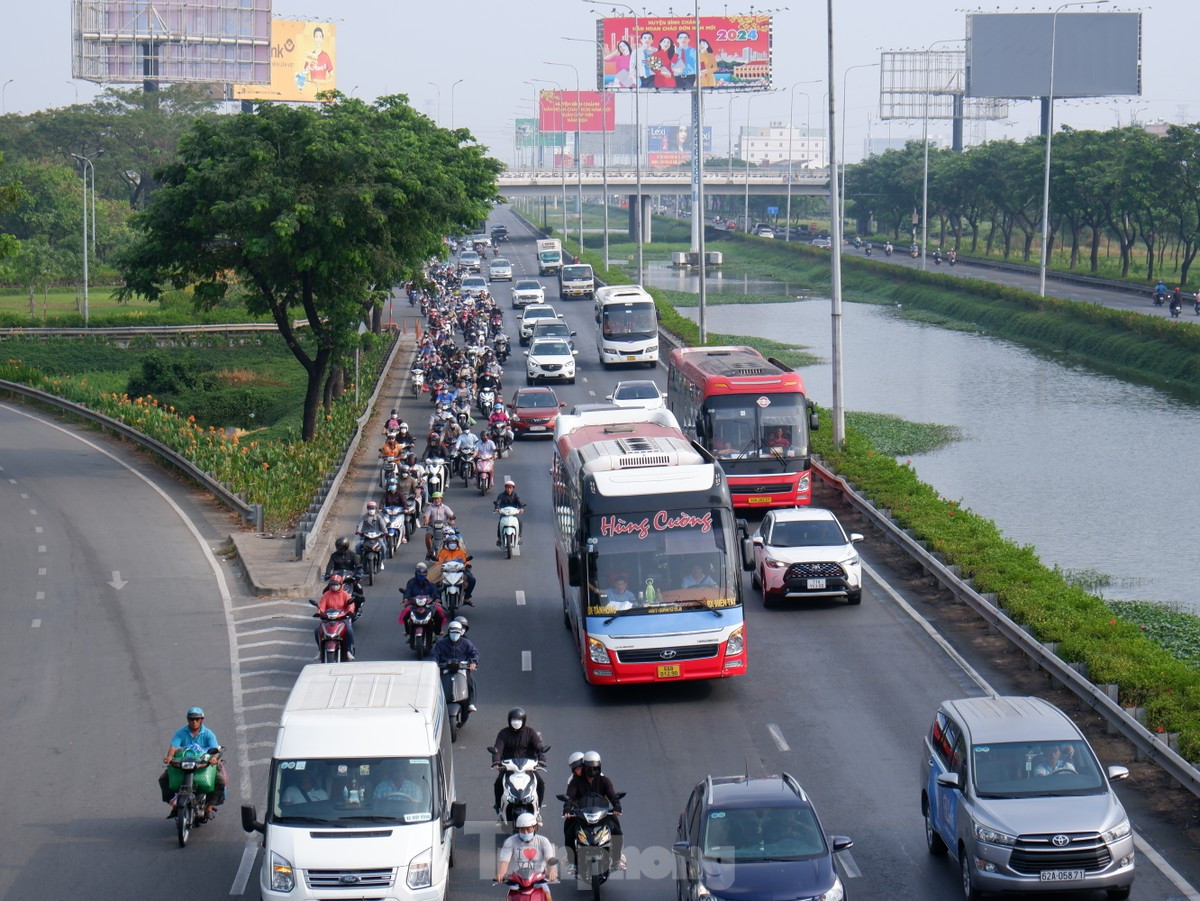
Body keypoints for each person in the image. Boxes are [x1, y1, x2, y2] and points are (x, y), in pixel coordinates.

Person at [160, 706, 226, 820]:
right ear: (188, 720)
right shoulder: (181, 733)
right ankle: (174, 805)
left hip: (203, 765)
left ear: (201, 720)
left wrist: (214, 759)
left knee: (220, 780)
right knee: (163, 779)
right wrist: (169, 757)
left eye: (197, 719)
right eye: (191, 719)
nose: (194, 722)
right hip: (183, 765)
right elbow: (174, 746)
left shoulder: (208, 734)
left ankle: (209, 807)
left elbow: (215, 749)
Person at [563, 750, 624, 872]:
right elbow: (569, 797)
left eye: (595, 768)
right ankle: (573, 862)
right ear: (584, 767)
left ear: (599, 767)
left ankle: (617, 859)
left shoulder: (604, 781)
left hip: (603, 815)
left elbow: (612, 795)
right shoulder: (575, 781)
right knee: (569, 831)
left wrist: (617, 806)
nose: (592, 771)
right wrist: (567, 809)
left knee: (617, 830)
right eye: (589, 768)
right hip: (581, 815)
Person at [491, 707, 548, 814]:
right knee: (498, 783)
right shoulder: (503, 733)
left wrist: (541, 759)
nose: (516, 722)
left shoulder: (530, 733)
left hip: (528, 767)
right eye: (513, 720)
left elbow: (539, 747)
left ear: (524, 721)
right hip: (509, 768)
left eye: (519, 720)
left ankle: (538, 808)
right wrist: (496, 761)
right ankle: (499, 807)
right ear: (509, 720)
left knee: (541, 784)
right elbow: (497, 749)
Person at [497, 812, 559, 892]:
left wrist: (552, 871)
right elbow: (504, 861)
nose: (525, 832)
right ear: (518, 829)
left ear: (535, 827)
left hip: (538, 881)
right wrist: (501, 874)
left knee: (547, 895)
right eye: (522, 829)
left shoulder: (543, 841)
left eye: (528, 829)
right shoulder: (510, 841)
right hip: (517, 882)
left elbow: (549, 859)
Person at [431, 619, 479, 712]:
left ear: (461, 632)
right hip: (444, 669)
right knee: (435, 684)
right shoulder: (441, 644)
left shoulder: (466, 643)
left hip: (462, 669)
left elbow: (475, 653)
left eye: (457, 632)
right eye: (453, 632)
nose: (455, 634)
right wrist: (434, 664)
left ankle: (471, 703)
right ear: (449, 632)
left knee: (471, 683)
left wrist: (473, 662)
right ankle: (434, 704)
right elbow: (434, 655)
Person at [314, 573, 357, 659]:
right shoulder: (326, 595)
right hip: (328, 619)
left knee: (349, 630)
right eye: (332, 584)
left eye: (336, 584)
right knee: (317, 631)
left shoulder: (345, 595)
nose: (334, 586)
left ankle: (348, 651)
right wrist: (319, 612)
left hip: (342, 619)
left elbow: (350, 605)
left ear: (341, 585)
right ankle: (320, 651)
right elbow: (321, 606)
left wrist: (350, 612)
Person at [436, 531, 477, 605]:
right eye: (451, 542)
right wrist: (438, 565)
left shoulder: (461, 552)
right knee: (434, 582)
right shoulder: (443, 552)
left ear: (457, 544)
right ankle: (437, 597)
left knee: (472, 579)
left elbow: (465, 560)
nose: (452, 544)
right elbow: (439, 561)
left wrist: (467, 565)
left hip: (459, 570)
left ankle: (466, 597)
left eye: (454, 543)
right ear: (447, 544)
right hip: (446, 571)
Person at [423, 491, 457, 560]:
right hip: (432, 527)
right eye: (435, 499)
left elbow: (451, 515)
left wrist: (452, 520)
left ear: (441, 499)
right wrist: (426, 521)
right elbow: (426, 516)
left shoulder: (445, 508)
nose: (436, 500)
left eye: (438, 498)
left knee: (453, 536)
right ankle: (429, 551)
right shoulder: (430, 507)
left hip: (444, 526)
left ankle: (454, 549)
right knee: (427, 536)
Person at [356, 501, 388, 567]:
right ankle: (360, 560)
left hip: (378, 537)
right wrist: (358, 531)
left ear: (375, 509)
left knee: (383, 547)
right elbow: (360, 525)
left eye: (373, 508)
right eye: (370, 508)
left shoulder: (378, 517)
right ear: (367, 509)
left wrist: (385, 532)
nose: (371, 510)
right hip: (366, 537)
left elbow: (383, 525)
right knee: (358, 546)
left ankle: (382, 561)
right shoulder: (364, 517)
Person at [493, 478, 526, 544]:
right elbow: (498, 502)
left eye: (510, 488)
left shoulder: (515, 495)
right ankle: (499, 539)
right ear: (505, 488)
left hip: (513, 514)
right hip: (503, 514)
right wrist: (497, 508)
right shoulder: (501, 495)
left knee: (520, 523)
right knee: (500, 524)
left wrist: (521, 508)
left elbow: (519, 503)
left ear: (513, 488)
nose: (509, 489)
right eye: (507, 487)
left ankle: (519, 537)